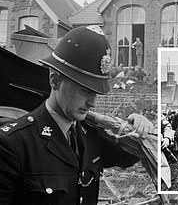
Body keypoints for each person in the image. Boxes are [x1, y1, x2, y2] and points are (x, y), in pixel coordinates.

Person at [0, 26, 153, 204]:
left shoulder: (91, 134)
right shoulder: (13, 144)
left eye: (95, 93)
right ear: (55, 80)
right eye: (84, 91)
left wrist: (137, 125)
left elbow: (125, 156)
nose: (92, 102)